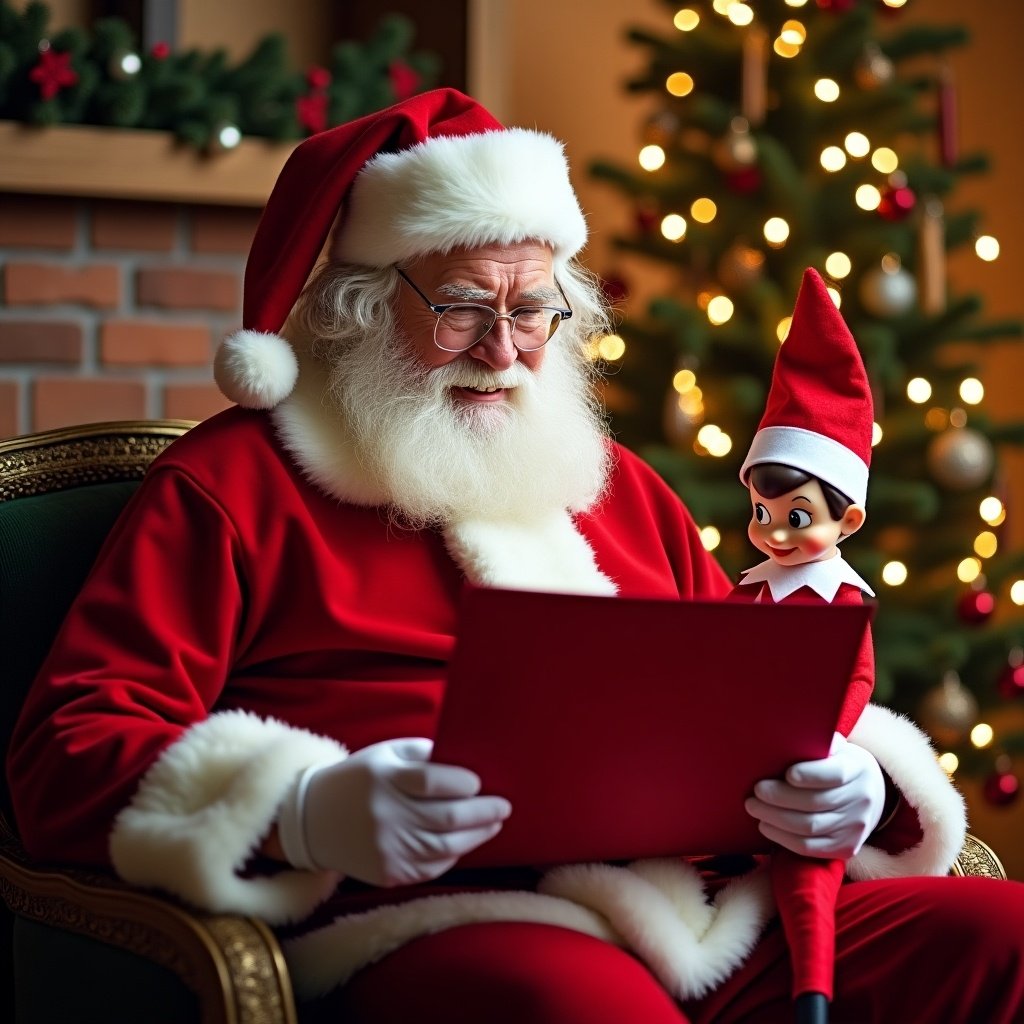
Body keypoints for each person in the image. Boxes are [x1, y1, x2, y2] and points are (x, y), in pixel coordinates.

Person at [7, 88, 1024, 1024]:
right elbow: (66, 750)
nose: (502, 347)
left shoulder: (618, 485)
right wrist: (308, 808)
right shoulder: (233, 485)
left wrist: (849, 780)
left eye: (533, 308)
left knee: (1002, 938)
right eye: (459, 305)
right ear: (361, 301)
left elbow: (756, 697)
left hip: (700, 915)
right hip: (426, 920)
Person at [728, 267, 879, 1022]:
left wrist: (832, 738)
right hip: (733, 745)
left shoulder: (841, 596)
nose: (771, 534)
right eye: (761, 512)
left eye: (795, 518)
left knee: (805, 869)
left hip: (803, 748)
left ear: (845, 523)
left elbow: (853, 678)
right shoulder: (753, 584)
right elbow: (712, 648)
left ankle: (811, 992)